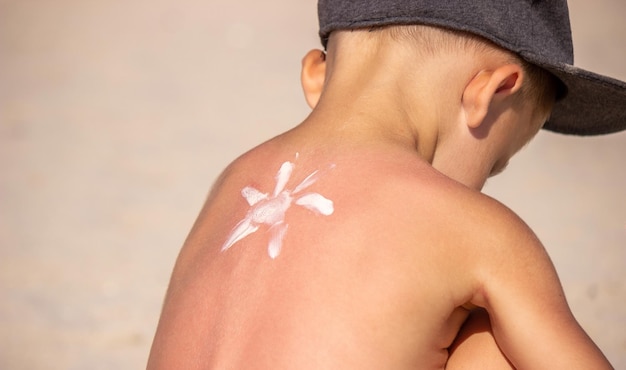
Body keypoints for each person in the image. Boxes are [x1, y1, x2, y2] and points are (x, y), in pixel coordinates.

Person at [148, 1, 626, 368]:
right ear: (489, 91)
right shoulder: (474, 230)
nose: (484, 184)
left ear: (318, 75)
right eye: (496, 162)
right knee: (489, 342)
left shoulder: (231, 182)